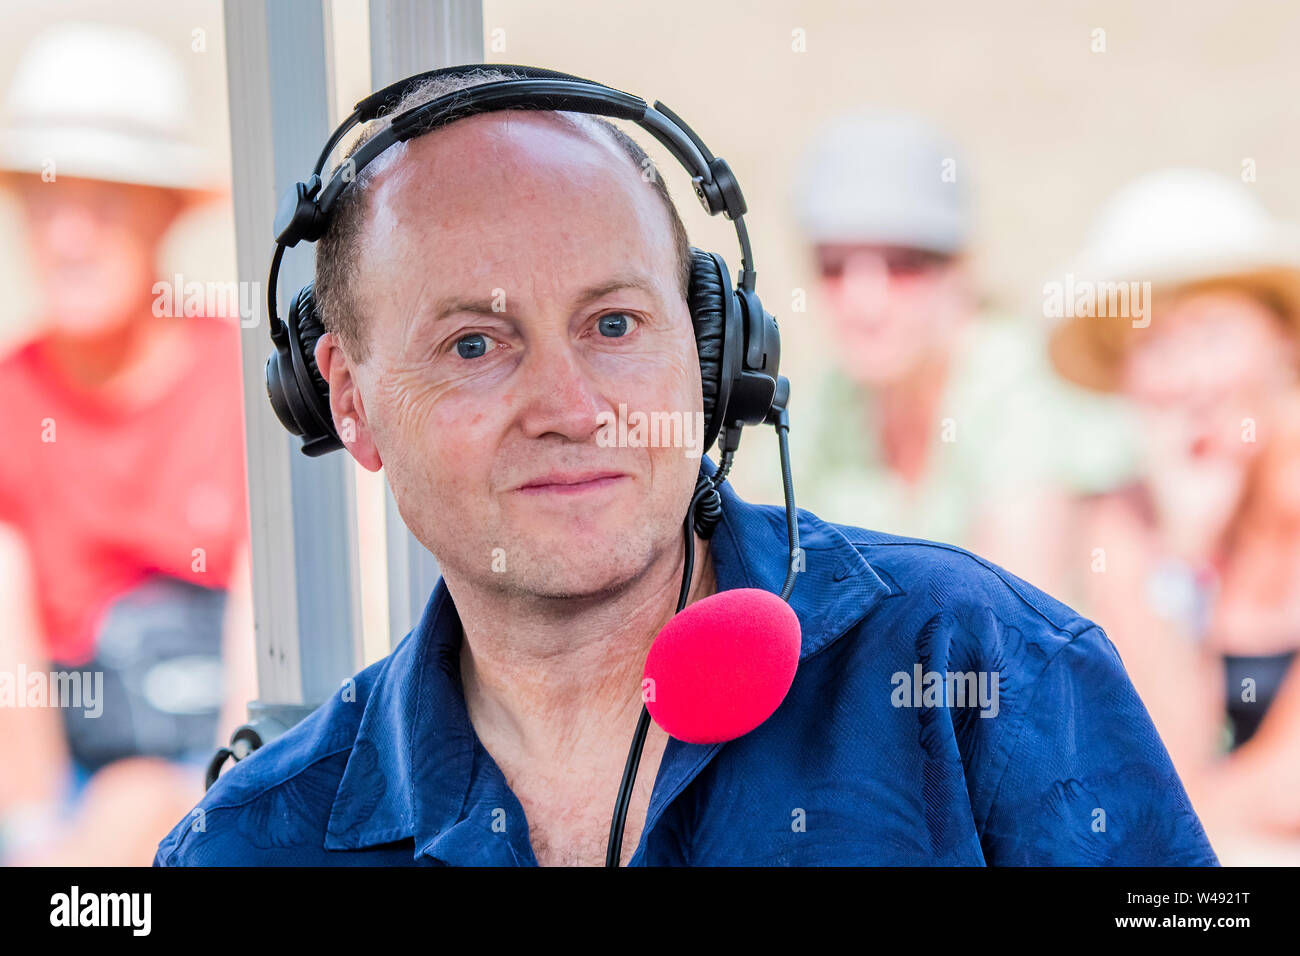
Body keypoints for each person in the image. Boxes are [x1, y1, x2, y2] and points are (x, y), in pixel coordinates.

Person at [155, 67, 1216, 866]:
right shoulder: (254, 840)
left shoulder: (983, 666)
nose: (572, 409)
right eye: (475, 343)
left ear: (715, 355)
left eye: (614, 323)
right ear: (347, 398)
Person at [0, 23, 255, 865]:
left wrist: (228, 806)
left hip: (233, 767)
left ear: (165, 216)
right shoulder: (11, 398)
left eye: (103, 204)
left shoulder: (249, 385)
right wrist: (40, 836)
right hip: (61, 793)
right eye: (47, 202)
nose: (69, 237)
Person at [1047, 168, 1300, 863]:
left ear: (1283, 341)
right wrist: (1185, 555)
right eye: (1155, 348)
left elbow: (1284, 785)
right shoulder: (1127, 518)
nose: (1188, 379)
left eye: (1213, 334)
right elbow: (1157, 758)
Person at [790, 111, 1137, 589]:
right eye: (832, 266)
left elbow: (1009, 624)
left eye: (901, 266)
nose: (861, 301)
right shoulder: (827, 401)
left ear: (960, 269)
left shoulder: (1023, 386)